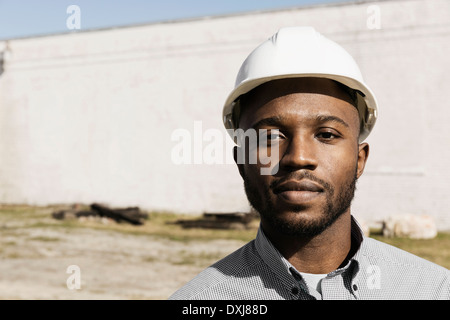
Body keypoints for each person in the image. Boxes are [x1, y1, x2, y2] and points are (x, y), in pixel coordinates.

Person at [169, 27, 450, 300]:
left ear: (359, 160)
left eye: (326, 134)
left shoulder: (434, 291)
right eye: (270, 136)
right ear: (241, 162)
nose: (298, 157)